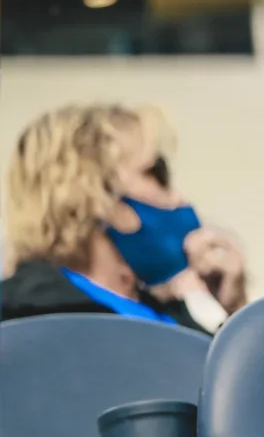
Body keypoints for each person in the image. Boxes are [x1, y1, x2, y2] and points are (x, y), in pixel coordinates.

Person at [3, 104, 248, 331]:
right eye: (155, 172)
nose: (178, 198)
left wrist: (233, 316)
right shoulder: (25, 325)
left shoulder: (168, 316)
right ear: (89, 195)